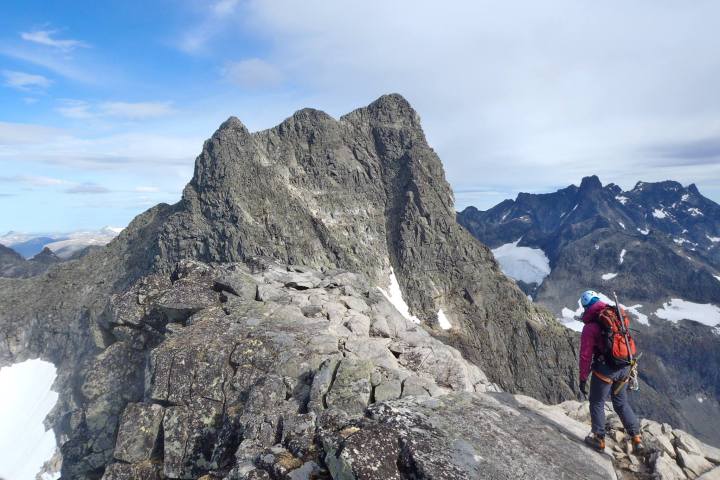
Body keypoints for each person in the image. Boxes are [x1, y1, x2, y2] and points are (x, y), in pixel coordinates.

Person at [578, 290, 644, 453]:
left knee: (597, 402)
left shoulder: (591, 327)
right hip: (625, 367)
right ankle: (636, 439)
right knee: (621, 403)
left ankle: (598, 438)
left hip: (606, 370)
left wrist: (583, 377)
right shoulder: (616, 316)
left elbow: (585, 355)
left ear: (586, 307)